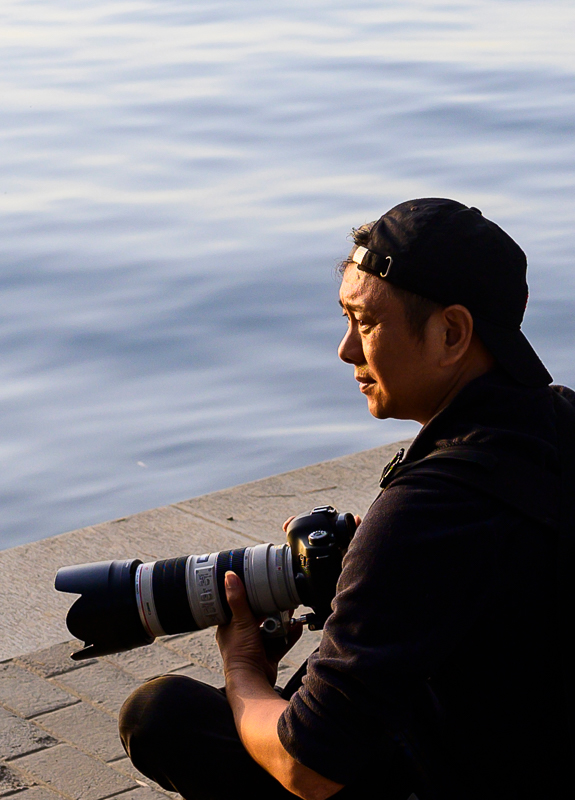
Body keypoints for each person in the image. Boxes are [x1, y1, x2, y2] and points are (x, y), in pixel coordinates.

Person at [119, 198, 572, 799]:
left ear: (452, 333)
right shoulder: (556, 420)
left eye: (365, 323)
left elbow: (309, 767)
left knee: (161, 714)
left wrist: (244, 672)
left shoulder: (432, 507)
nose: (346, 350)